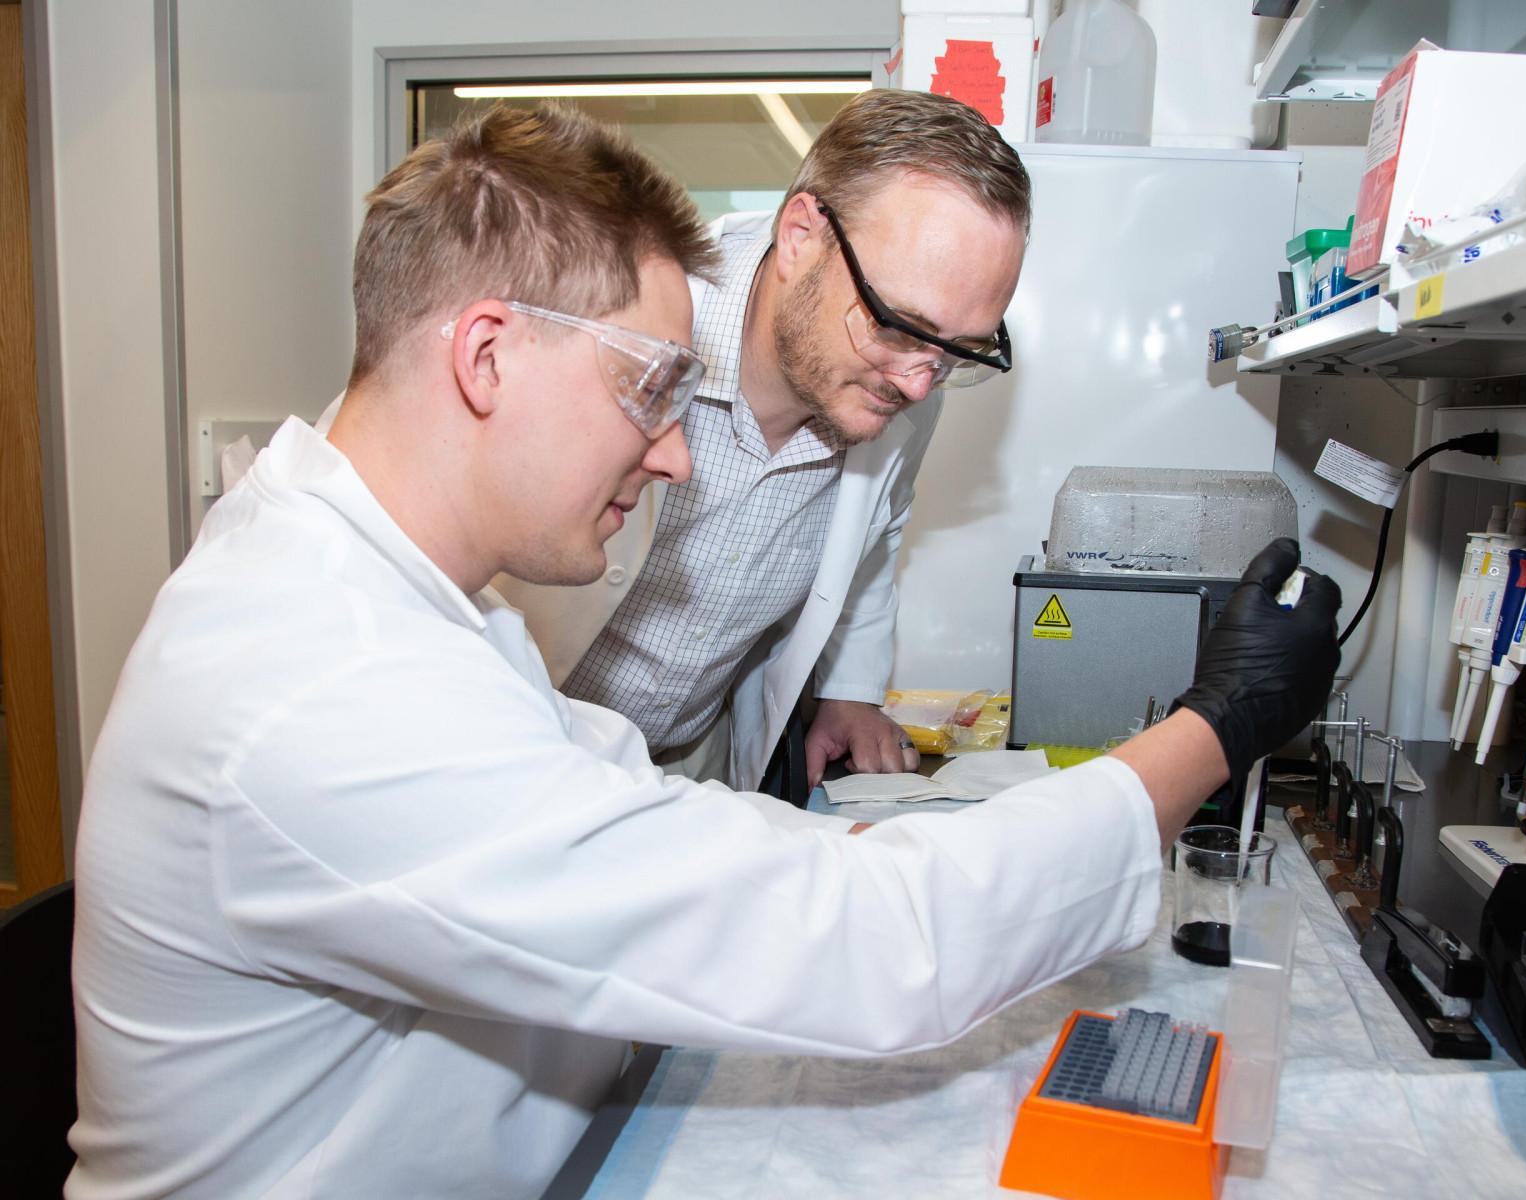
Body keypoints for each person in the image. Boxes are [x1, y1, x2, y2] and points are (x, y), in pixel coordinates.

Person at [68, 104, 1341, 1198]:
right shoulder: (324, 685)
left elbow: (643, 811)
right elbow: (855, 941)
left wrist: (881, 829)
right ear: (488, 355)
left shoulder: (407, 602)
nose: (682, 455)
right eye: (648, 392)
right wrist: (1211, 729)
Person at [500, 89, 1029, 792]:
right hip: (517, 748)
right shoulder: (631, 315)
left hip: (689, 764)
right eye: (898, 325)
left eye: (956, 352)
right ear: (801, 236)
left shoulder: (898, 383)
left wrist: (851, 690)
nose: (918, 384)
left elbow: (877, 532)